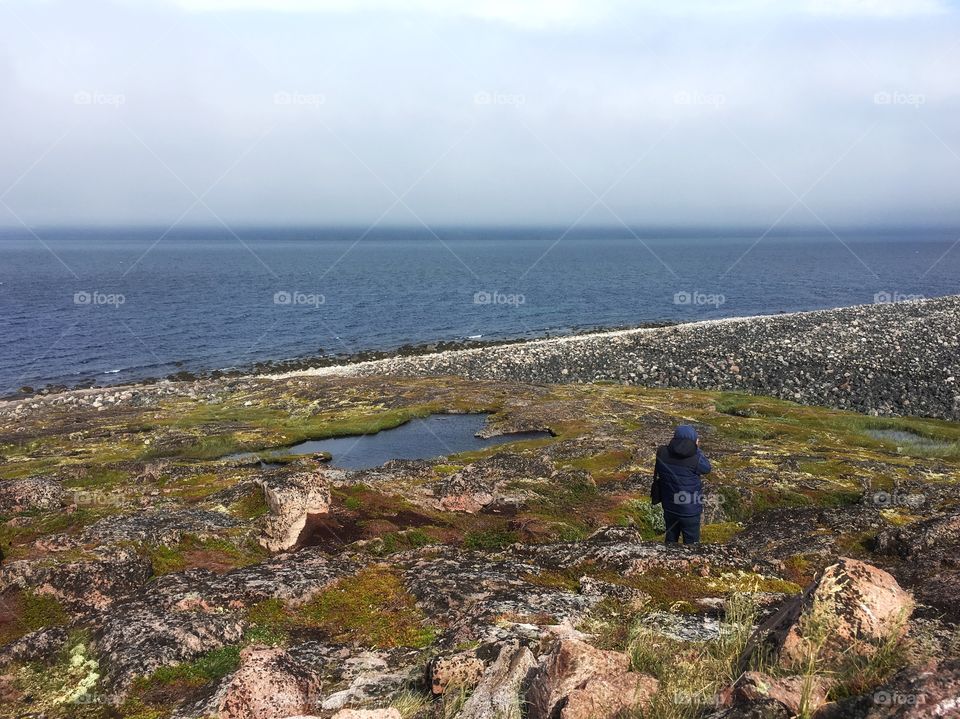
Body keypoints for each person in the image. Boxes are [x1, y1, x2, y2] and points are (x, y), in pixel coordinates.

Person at [651, 424, 712, 544]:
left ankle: (667, 560)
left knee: (670, 540)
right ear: (694, 440)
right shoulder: (696, 458)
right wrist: (697, 448)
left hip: (669, 507)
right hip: (689, 510)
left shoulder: (662, 452)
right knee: (691, 544)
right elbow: (707, 468)